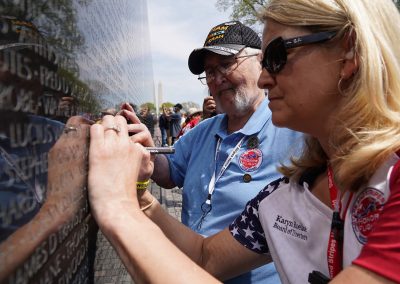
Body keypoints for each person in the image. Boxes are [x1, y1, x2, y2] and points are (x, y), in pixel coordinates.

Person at [88, 0, 400, 283]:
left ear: (348, 53)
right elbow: (206, 258)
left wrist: (117, 207)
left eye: (276, 57)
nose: (266, 79)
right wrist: (139, 194)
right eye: (209, 72)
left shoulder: (391, 176)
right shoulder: (286, 196)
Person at [118, 20, 304, 284]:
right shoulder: (202, 132)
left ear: (260, 61)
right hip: (186, 271)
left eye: (226, 64)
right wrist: (148, 148)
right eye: (209, 71)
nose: (217, 79)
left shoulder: (292, 131)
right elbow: (170, 174)